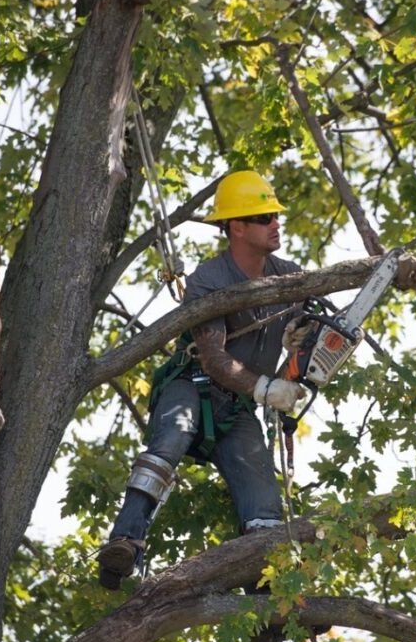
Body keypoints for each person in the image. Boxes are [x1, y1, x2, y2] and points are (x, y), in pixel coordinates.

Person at [98, 170, 313, 590]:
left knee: (265, 505)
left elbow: (318, 333)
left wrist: (299, 346)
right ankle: (125, 541)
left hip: (237, 408)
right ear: (236, 226)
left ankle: (270, 598)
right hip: (192, 385)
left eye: (275, 215)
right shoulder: (209, 280)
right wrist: (267, 389)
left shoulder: (290, 276)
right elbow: (214, 359)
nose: (276, 223)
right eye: (265, 216)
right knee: (171, 437)